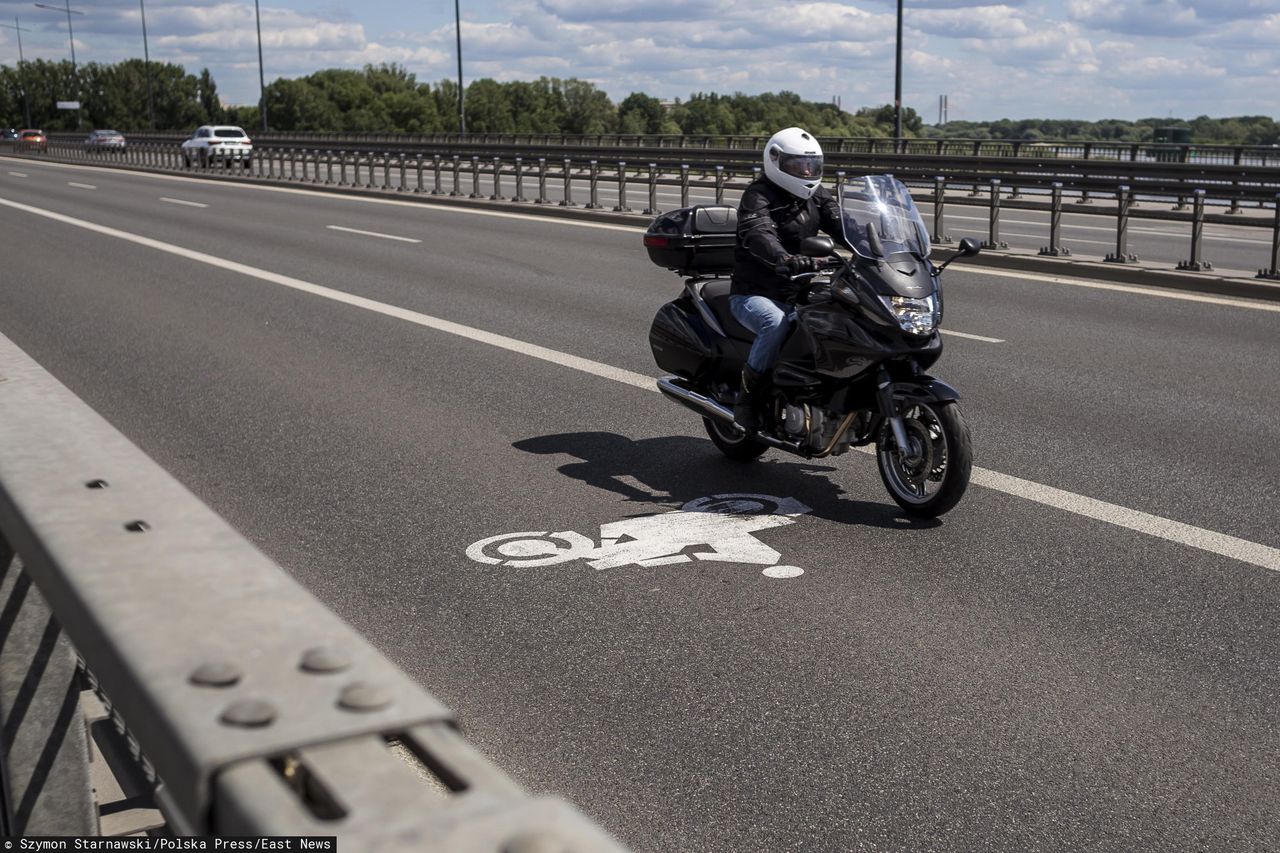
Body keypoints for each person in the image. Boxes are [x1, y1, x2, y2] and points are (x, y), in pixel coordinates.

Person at [730, 127, 843, 432]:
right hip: (755, 293)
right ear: (776, 161)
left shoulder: (817, 195)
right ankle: (748, 401)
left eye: (811, 165)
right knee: (775, 324)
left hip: (801, 287)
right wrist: (785, 259)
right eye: (797, 165)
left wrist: (880, 245)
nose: (806, 171)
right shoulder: (758, 196)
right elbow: (759, 234)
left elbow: (844, 225)